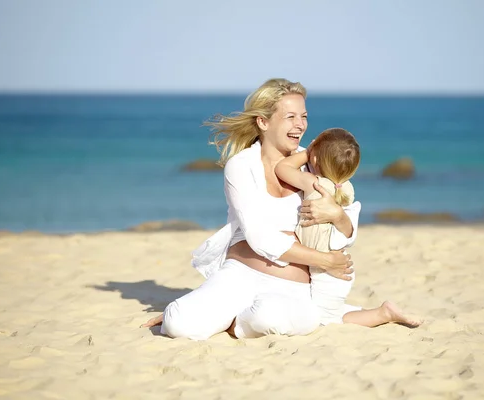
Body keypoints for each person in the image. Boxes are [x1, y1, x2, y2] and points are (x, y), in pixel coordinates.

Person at [142, 78, 417, 340]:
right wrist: (323, 260)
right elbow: (259, 237)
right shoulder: (241, 166)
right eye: (291, 117)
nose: (300, 125)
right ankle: (218, 314)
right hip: (239, 277)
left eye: (304, 116)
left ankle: (229, 321)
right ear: (263, 121)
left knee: (268, 317)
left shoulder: (317, 159)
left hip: (293, 289)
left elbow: (346, 226)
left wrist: (339, 215)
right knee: (178, 323)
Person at [275, 128, 422, 328]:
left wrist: (307, 152)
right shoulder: (346, 189)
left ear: (315, 160)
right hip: (336, 264)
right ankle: (380, 312)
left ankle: (383, 314)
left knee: (325, 320)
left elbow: (282, 168)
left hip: (327, 269)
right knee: (330, 310)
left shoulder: (314, 184)